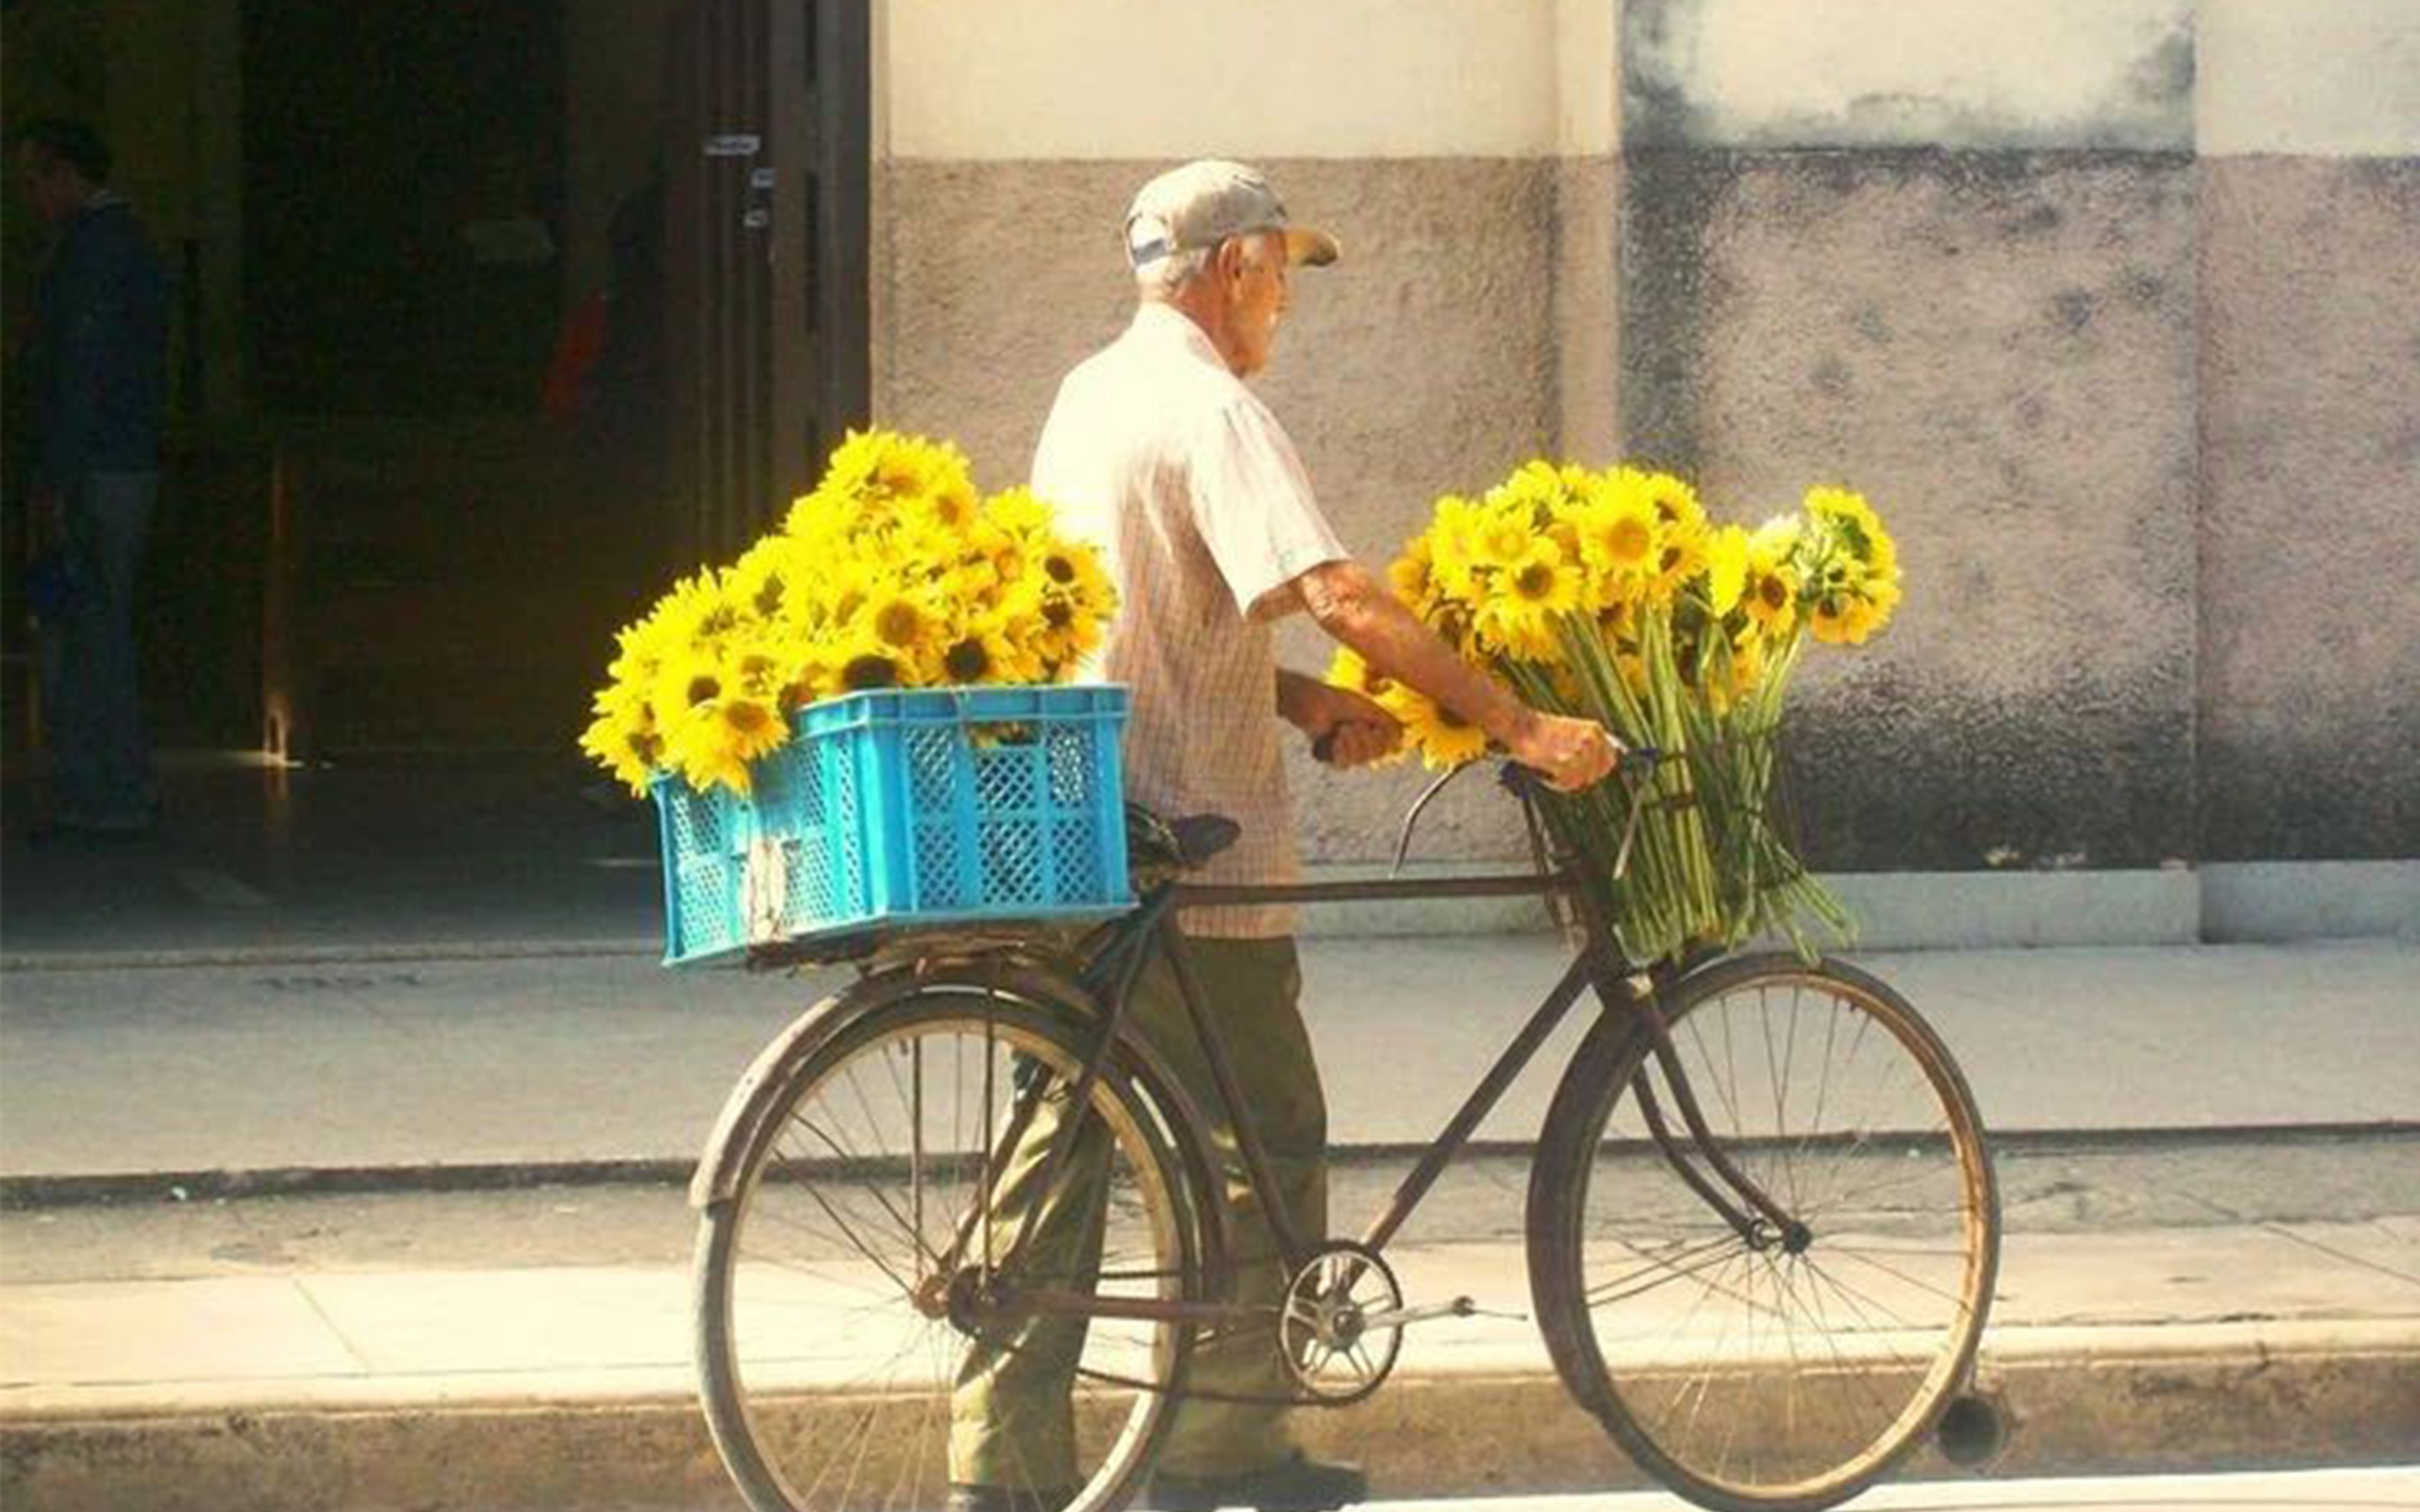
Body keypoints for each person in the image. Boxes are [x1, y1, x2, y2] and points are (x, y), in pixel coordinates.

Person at [949, 159, 1620, 1512]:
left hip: (1074, 815)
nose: (1282, 308)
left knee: (1063, 1146)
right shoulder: (1212, 410)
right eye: (1277, 276)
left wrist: (1299, 696)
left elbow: (1138, 613)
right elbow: (1332, 588)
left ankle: (998, 1475)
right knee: (1260, 1146)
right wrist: (1516, 723)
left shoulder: (1091, 397)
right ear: (1231, 270)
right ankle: (1222, 1453)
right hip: (1197, 846)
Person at [12, 117, 168, 837]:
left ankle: (107, 786)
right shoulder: (118, 245)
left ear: (69, 174)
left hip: (96, 463)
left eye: (37, 176)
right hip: (117, 456)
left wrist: (55, 470)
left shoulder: (92, 252)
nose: (29, 192)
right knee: (97, 620)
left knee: (92, 625)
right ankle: (108, 783)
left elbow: (81, 367)